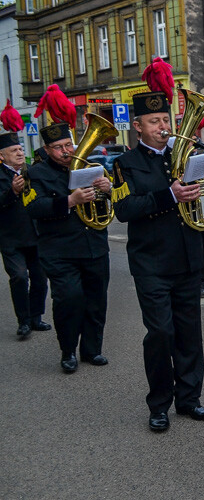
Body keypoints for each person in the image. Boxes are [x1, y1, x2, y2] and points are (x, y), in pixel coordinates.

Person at [112, 78, 204, 432]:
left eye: (165, 120)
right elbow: (124, 209)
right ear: (137, 126)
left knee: (189, 333)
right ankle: (159, 404)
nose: (163, 127)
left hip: (187, 258)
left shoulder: (183, 156)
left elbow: (203, 201)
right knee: (160, 334)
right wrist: (169, 195)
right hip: (151, 262)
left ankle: (189, 399)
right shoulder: (124, 164)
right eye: (154, 122)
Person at [24, 116, 111, 373]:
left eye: (68, 145)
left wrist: (108, 188)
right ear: (47, 150)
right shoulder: (35, 173)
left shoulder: (88, 167)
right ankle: (68, 351)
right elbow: (32, 207)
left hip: (94, 244)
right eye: (59, 147)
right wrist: (69, 201)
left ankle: (92, 350)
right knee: (69, 300)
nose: (66, 151)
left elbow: (110, 201)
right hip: (59, 250)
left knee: (97, 300)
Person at [0, 132, 50, 339]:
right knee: (19, 277)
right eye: (14, 150)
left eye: (21, 149)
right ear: (1, 156)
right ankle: (23, 321)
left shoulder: (31, 171)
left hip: (36, 235)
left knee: (40, 278)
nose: (20, 153)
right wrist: (12, 191)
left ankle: (36, 316)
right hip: (11, 238)